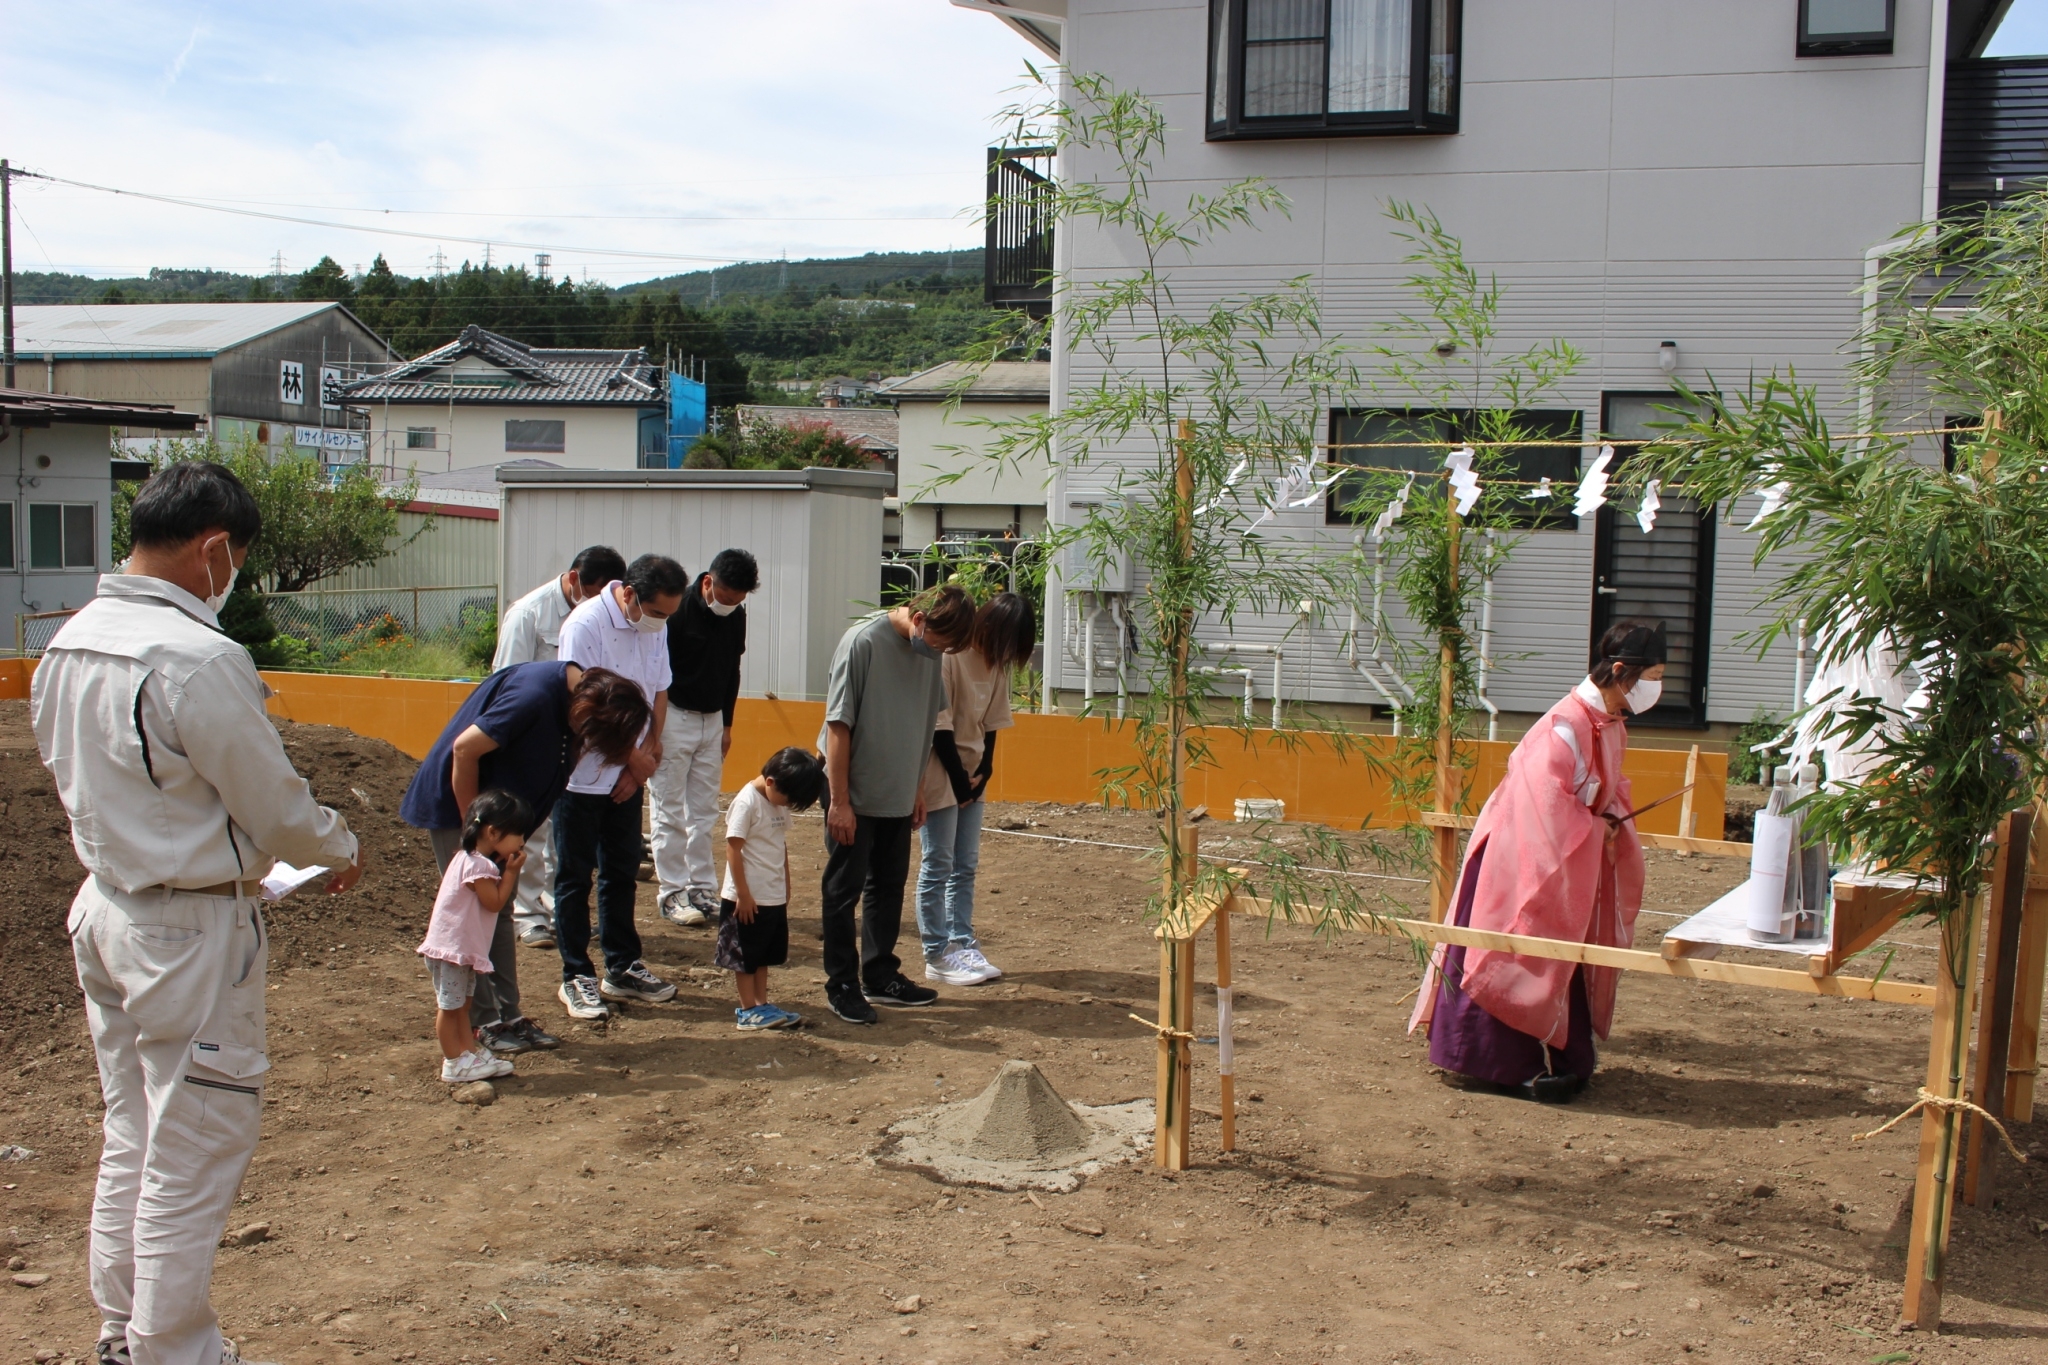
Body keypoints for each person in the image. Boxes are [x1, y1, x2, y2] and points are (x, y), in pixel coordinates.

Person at [32, 460, 364, 1365]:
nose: (235, 581)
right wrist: (338, 846)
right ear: (214, 548)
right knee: (196, 1138)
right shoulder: (199, 658)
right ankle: (170, 1348)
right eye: (239, 561)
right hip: (188, 929)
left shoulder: (68, 643)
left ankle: (121, 1327)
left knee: (133, 1128)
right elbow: (276, 805)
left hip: (105, 904)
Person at [1408, 621, 1663, 1102]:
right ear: (1622, 672)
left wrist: (1612, 818)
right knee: (1509, 948)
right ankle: (1498, 1063)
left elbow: (1608, 789)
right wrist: (1595, 828)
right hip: (1516, 856)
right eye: (1654, 675)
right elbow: (1541, 809)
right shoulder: (1561, 727)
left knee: (1555, 952)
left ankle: (1561, 1054)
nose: (1657, 687)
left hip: (1563, 855)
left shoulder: (1610, 724)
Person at [399, 662, 653, 1055]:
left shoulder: (577, 699)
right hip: (466, 814)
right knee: (474, 920)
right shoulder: (533, 696)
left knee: (499, 913)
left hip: (500, 826)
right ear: (586, 713)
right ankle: (484, 1023)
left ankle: (508, 1015)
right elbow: (464, 750)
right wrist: (475, 840)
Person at [817, 584, 977, 1024]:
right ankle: (841, 985)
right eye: (941, 643)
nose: (940, 653)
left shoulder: (932, 654)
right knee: (843, 888)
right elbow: (838, 726)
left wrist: (917, 788)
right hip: (852, 788)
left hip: (898, 790)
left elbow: (924, 723)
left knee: (888, 885)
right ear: (921, 620)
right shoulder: (863, 642)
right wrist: (840, 801)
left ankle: (880, 974)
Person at [553, 553, 689, 1021]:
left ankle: (623, 965)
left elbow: (660, 689)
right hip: (583, 775)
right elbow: (583, 704)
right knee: (574, 877)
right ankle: (576, 975)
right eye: (657, 613)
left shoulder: (658, 624)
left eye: (669, 615)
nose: (662, 623)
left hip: (630, 776)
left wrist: (648, 756)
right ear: (629, 594)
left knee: (621, 870)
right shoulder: (585, 625)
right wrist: (632, 757)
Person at [492, 544, 628, 951]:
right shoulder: (529, 614)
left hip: (576, 743)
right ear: (573, 579)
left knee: (561, 835)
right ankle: (528, 915)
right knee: (529, 831)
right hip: (533, 739)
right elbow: (506, 681)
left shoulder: (604, 617)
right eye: (594, 590)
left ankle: (557, 911)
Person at [917, 592, 1035, 986]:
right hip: (941, 772)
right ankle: (936, 952)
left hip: (971, 776)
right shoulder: (950, 656)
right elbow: (940, 725)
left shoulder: (997, 666)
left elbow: (993, 723)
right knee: (938, 864)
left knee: (965, 865)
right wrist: (957, 780)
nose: (1006, 653)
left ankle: (962, 941)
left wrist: (984, 769)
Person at [651, 547, 759, 927]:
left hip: (713, 721)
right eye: (727, 598)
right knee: (668, 808)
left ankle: (701, 887)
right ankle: (672, 892)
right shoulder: (676, 612)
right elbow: (657, 671)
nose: (731, 605)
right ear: (708, 582)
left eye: (739, 600)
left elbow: (733, 668)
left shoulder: (736, 616)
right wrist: (655, 727)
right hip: (674, 716)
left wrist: (727, 725)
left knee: (704, 810)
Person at [419, 790, 532, 1084]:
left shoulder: (463, 857)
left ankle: (468, 1053)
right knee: (450, 1007)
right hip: (452, 950)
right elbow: (494, 902)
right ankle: (453, 1062)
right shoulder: (479, 866)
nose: (521, 841)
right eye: (518, 834)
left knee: (463, 1006)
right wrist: (510, 872)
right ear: (493, 832)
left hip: (458, 948)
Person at [719, 747, 826, 1030]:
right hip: (747, 898)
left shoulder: (777, 802)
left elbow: (781, 844)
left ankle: (761, 1004)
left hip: (771, 895)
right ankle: (747, 1010)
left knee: (763, 954)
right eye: (789, 799)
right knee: (745, 957)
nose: (788, 805)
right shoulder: (747, 802)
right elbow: (733, 849)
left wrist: (786, 884)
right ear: (771, 782)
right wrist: (742, 894)